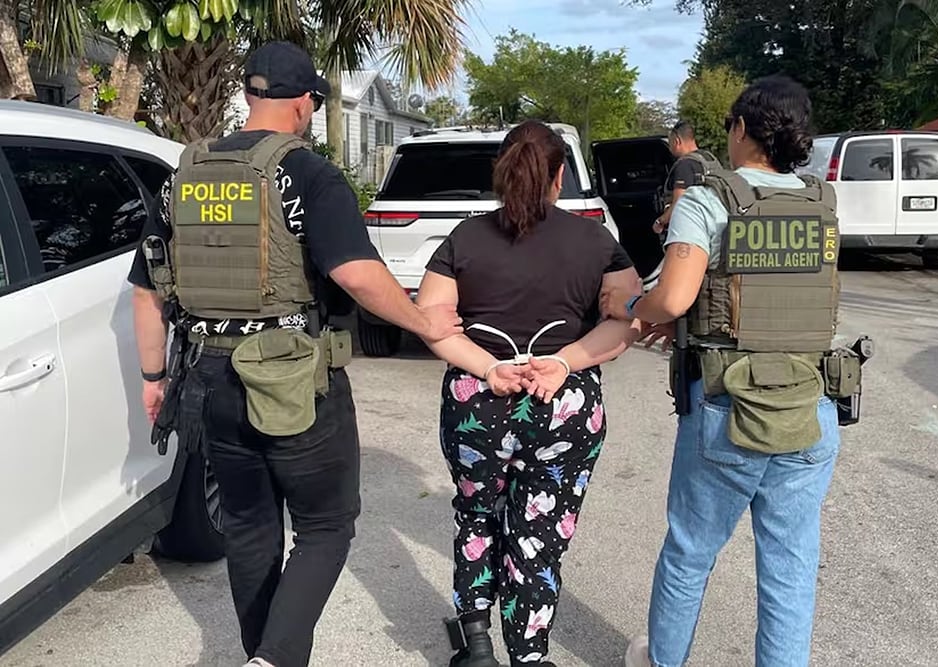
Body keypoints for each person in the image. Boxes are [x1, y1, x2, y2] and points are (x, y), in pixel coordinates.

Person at [127, 41, 462, 667]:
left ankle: (263, 655)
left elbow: (146, 291)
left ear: (248, 95)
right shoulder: (309, 174)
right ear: (305, 104)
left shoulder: (184, 174)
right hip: (293, 380)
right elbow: (357, 274)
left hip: (207, 376)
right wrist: (425, 323)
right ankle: (275, 658)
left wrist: (153, 378)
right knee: (326, 525)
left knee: (249, 527)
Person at [604, 76, 858, 667]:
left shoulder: (708, 199)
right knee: (790, 565)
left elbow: (673, 297)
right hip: (811, 404)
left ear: (741, 128)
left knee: (690, 553)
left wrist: (629, 306)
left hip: (728, 404)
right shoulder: (822, 202)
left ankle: (662, 660)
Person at [414, 120, 644, 667]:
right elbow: (627, 320)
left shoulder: (464, 239)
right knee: (538, 533)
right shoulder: (596, 241)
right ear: (559, 175)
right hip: (562, 406)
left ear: (502, 171)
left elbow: (431, 321)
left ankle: (475, 647)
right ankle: (530, 655)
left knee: (475, 514)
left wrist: (490, 368)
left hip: (478, 401)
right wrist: (564, 361)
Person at [652, 121, 722, 237]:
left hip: (691, 231)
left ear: (677, 141)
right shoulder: (709, 159)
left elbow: (679, 204)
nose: (670, 147)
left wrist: (661, 221)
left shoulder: (684, 165)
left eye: (670, 142)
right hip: (715, 226)